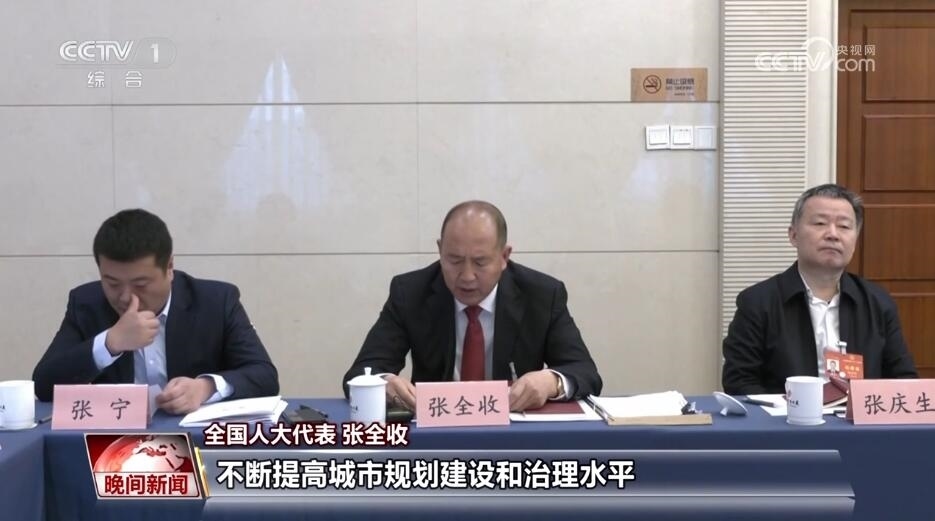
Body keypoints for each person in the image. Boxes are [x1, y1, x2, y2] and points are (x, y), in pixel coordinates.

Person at [343, 200, 602, 411]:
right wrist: (383, 383)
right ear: (440, 250)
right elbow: (359, 374)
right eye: (454, 260)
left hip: (515, 436)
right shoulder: (410, 293)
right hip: (436, 434)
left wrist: (551, 382)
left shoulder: (542, 295)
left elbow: (585, 372)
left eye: (480, 262)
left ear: (504, 257)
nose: (467, 276)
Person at [33, 209, 279, 413]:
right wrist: (109, 343)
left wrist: (205, 388)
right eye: (112, 283)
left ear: (169, 267)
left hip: (192, 440)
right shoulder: (86, 304)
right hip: (112, 440)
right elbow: (43, 386)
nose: (126, 297)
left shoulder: (215, 301)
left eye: (140, 284)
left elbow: (264, 376)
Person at [722, 184, 917, 395]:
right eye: (820, 223)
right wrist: (793, 408)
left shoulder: (877, 302)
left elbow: (903, 379)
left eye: (844, 226)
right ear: (793, 235)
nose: (833, 234)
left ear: (854, 240)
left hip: (858, 416)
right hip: (788, 415)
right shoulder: (758, 302)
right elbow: (739, 381)